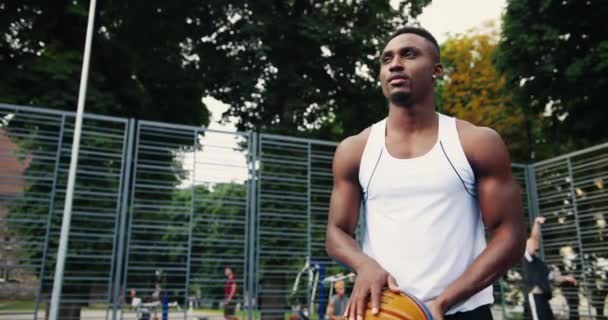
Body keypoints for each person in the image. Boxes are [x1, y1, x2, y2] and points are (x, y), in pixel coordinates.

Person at [325, 26, 526, 320]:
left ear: (436, 70)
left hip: (460, 310)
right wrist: (364, 264)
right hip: (385, 310)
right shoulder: (354, 149)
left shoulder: (476, 142)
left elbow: (510, 236)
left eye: (409, 54)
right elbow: (336, 232)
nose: (395, 63)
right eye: (386, 59)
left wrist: (443, 303)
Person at [523, 217, 577, 320]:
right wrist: (536, 223)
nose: (535, 242)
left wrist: (566, 278)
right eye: (532, 242)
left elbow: (553, 277)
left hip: (544, 299)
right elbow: (534, 237)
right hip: (535, 298)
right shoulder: (527, 258)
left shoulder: (540, 264)